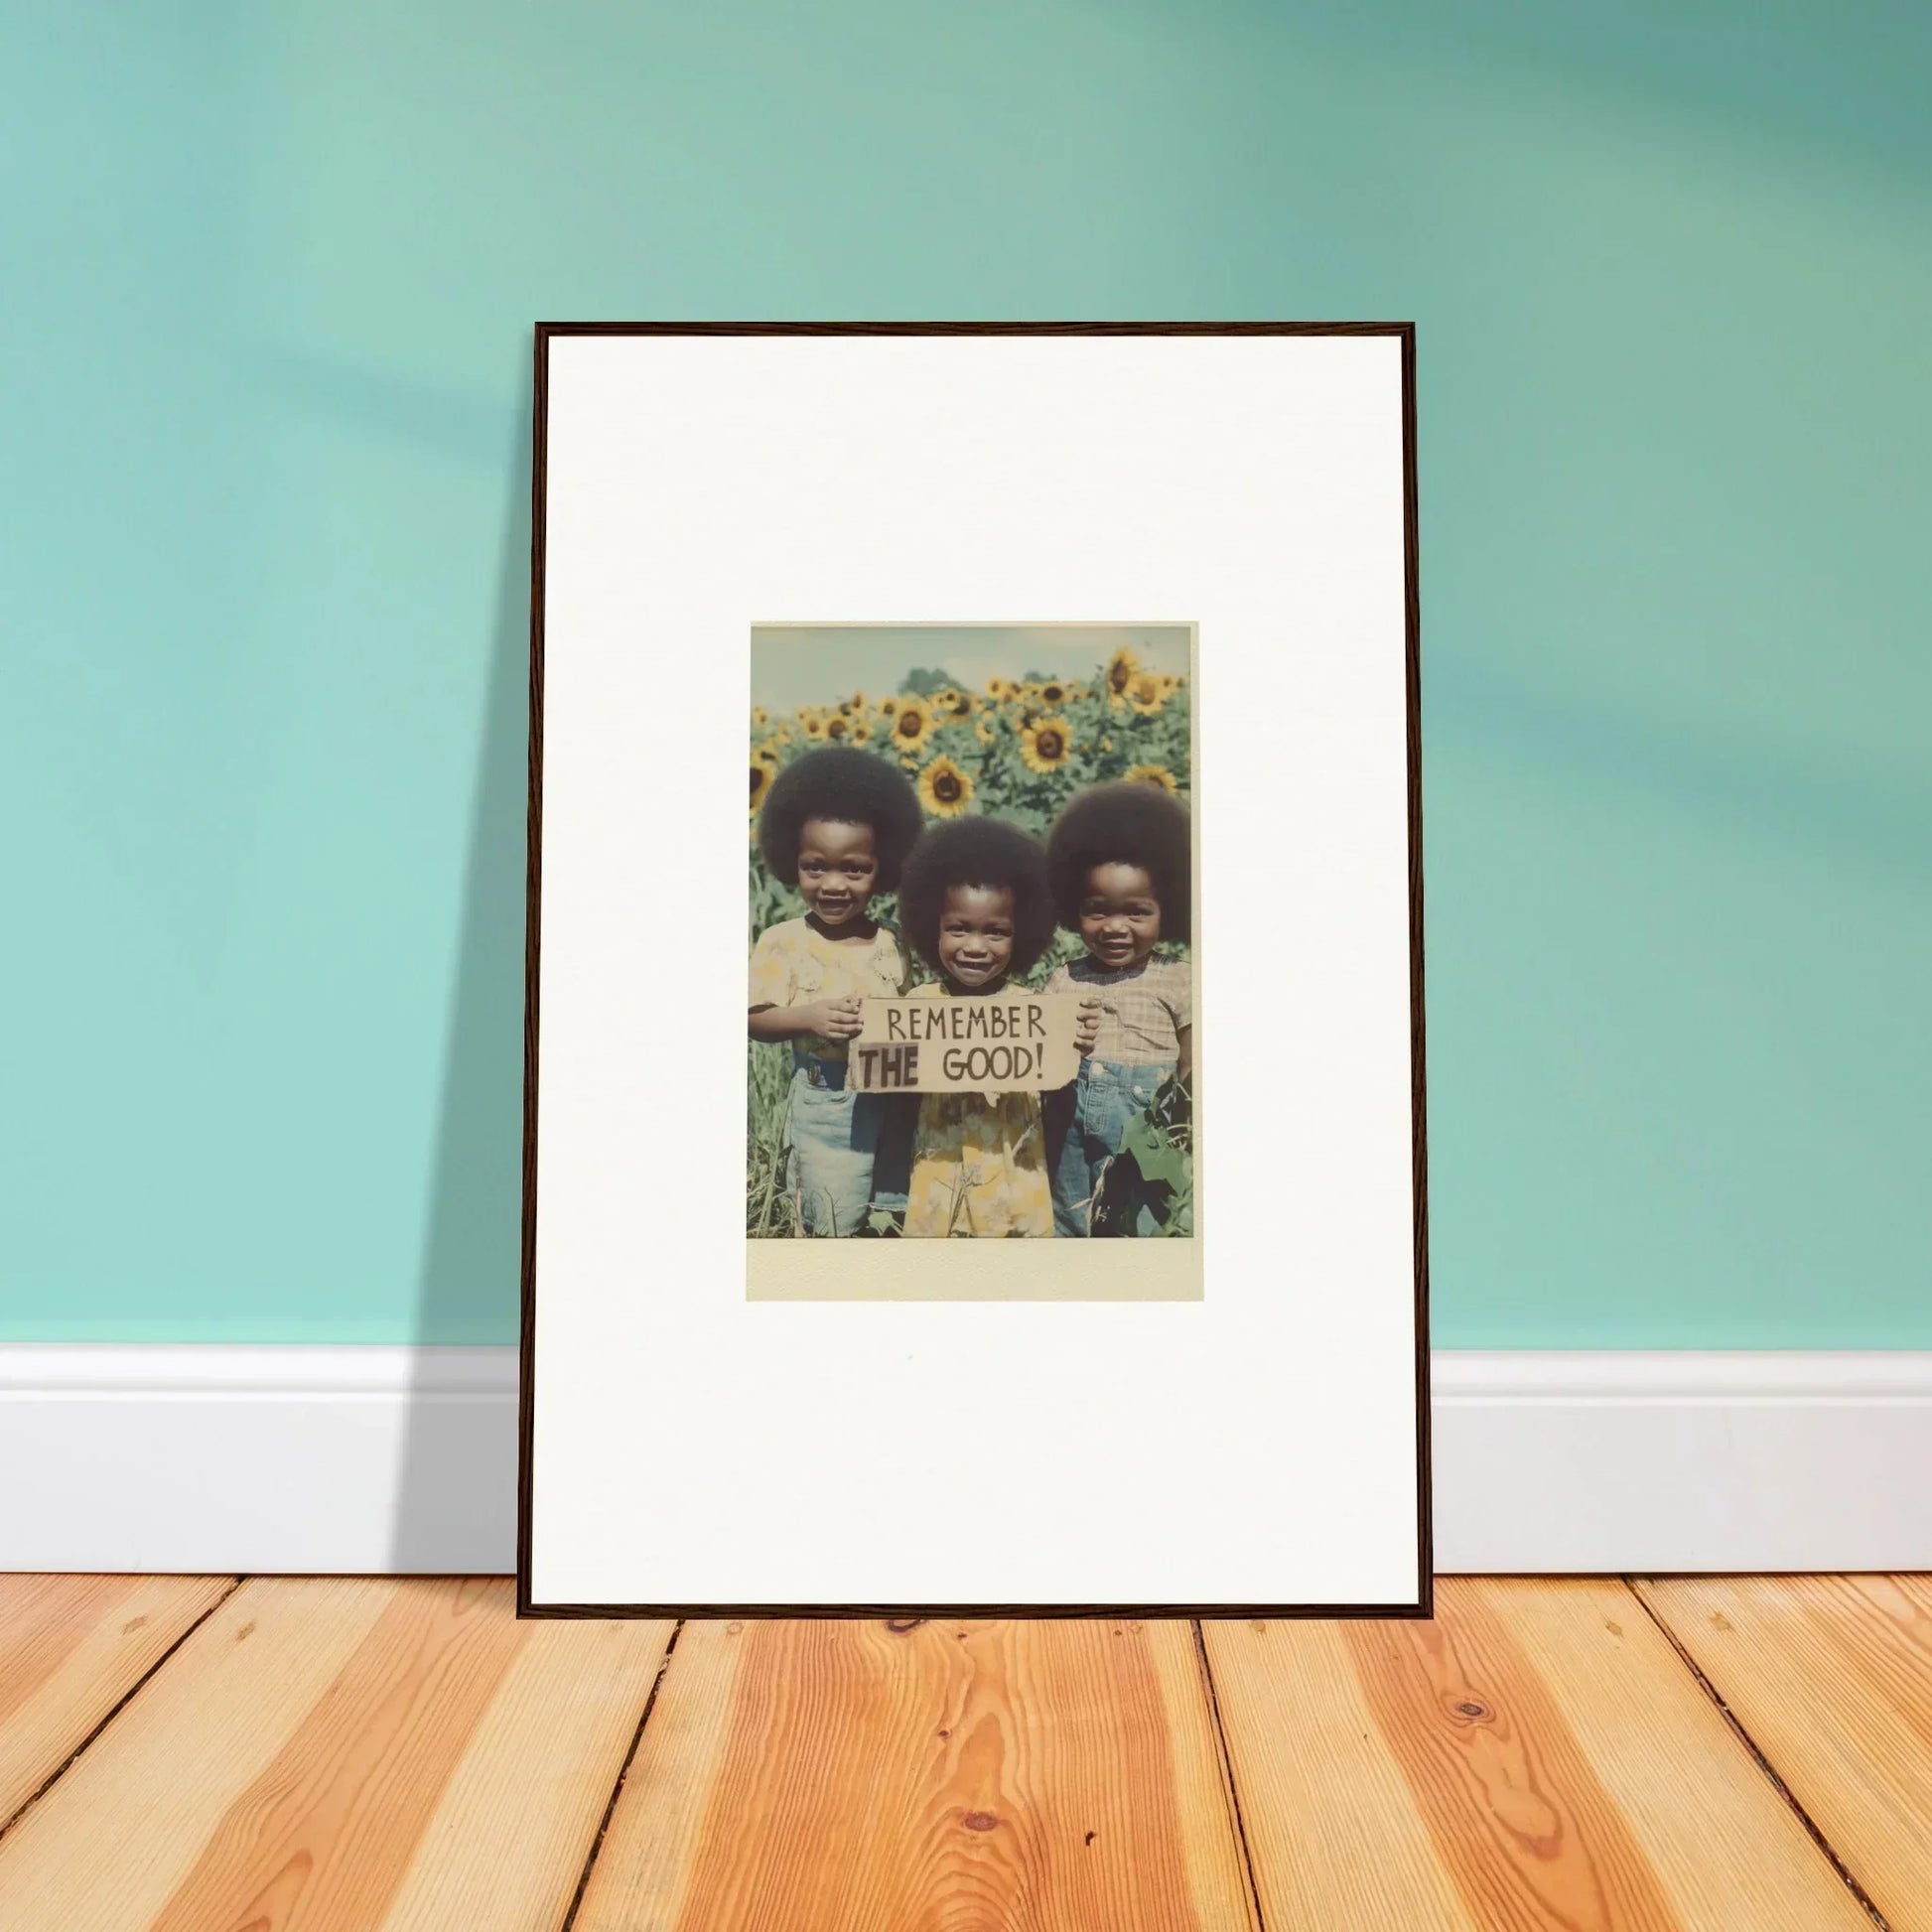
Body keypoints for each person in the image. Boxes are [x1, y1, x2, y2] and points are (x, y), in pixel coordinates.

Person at [749, 746, 923, 1235]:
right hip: (826, 1102)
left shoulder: (891, 941)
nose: (833, 885)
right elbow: (751, 1018)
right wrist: (808, 1017)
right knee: (832, 1215)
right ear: (791, 862)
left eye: (855, 869)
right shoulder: (783, 941)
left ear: (882, 868)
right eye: (815, 867)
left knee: (891, 1208)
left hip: (893, 1095)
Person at [895, 817, 1059, 1237]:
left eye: (996, 933)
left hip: (1013, 1175)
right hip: (940, 1172)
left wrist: (1077, 1035)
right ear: (931, 925)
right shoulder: (918, 1006)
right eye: (958, 929)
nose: (974, 947)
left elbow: (1059, 1070)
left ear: (1021, 935)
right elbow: (891, 1077)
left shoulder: (1034, 1010)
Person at [1042, 782, 1193, 1236]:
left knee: (1144, 1221)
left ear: (1169, 910)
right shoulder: (1063, 979)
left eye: (1136, 913)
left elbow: (1193, 1056)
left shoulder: (1178, 978)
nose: (1114, 927)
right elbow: (1035, 1050)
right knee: (1069, 1214)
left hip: (1149, 1129)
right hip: (1068, 1130)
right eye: (1097, 911)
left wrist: (1185, 1122)